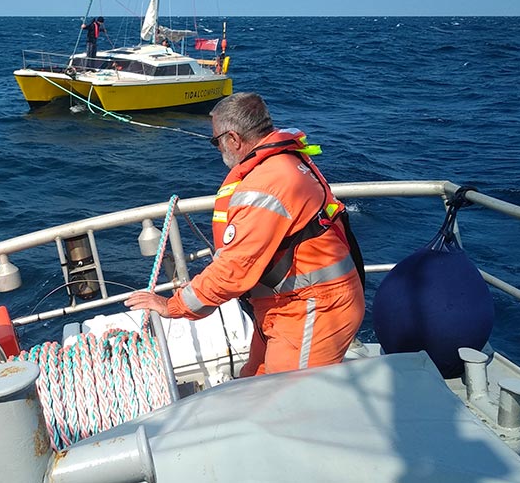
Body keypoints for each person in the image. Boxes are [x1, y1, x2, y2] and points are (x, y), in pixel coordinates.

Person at [125, 93, 364, 376]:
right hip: (291, 304)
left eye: (216, 141)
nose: (217, 148)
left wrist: (172, 305)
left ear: (234, 139)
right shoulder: (286, 162)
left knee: (289, 402)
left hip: (312, 308)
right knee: (252, 378)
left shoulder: (265, 185)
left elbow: (234, 269)